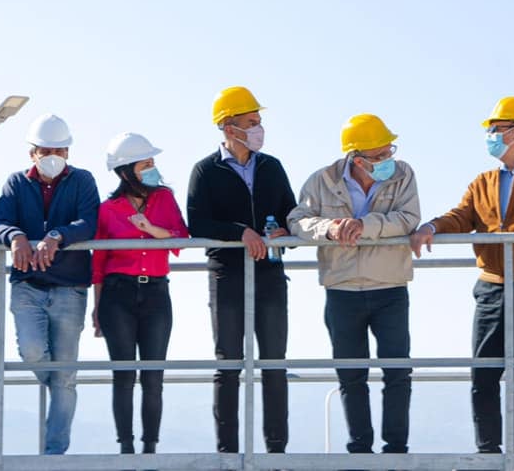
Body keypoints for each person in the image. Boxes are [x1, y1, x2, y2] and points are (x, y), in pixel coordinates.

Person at [409, 97, 514, 454]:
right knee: (483, 373)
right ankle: (487, 451)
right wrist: (432, 226)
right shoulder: (482, 181)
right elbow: (462, 215)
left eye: (495, 129)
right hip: (491, 285)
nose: (490, 136)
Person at [288, 113, 420, 454]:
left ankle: (396, 449)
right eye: (379, 156)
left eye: (389, 150)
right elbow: (297, 220)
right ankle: (359, 449)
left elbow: (408, 219)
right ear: (356, 159)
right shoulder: (321, 181)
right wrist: (330, 229)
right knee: (350, 374)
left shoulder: (404, 174)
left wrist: (364, 225)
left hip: (390, 287)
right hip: (341, 288)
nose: (388, 160)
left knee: (397, 371)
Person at [187, 86, 296, 454]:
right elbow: (198, 222)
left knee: (274, 363)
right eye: (252, 122)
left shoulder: (272, 166)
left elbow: (291, 214)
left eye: (259, 121)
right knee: (229, 364)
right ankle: (227, 453)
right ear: (229, 127)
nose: (258, 128)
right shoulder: (205, 171)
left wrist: (285, 233)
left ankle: (276, 451)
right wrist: (240, 233)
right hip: (227, 276)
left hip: (270, 275)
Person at [0, 114, 99, 455]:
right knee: (33, 352)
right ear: (32, 152)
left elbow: (89, 221)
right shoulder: (15, 183)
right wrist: (16, 237)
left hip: (69, 287)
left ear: (67, 151)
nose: (53, 155)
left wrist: (56, 236)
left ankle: (55, 453)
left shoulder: (82, 180)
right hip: (28, 285)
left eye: (59, 149)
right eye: (46, 149)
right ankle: (58, 383)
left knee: (66, 376)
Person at [91, 132, 189, 454]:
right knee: (123, 374)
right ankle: (126, 448)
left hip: (157, 294)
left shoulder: (166, 198)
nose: (152, 169)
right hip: (117, 295)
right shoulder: (108, 209)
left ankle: (150, 448)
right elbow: (99, 262)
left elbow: (179, 239)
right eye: (145, 164)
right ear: (125, 171)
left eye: (153, 163)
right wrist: (97, 307)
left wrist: (149, 229)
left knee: (153, 376)